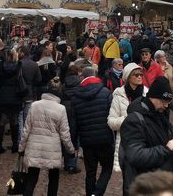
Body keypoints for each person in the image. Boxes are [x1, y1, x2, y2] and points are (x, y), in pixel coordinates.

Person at [119, 76, 173, 196]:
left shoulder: (162, 116)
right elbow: (136, 156)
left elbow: (163, 152)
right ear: (153, 97)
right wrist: (166, 149)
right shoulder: (134, 120)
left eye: (168, 102)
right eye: (164, 102)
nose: (166, 106)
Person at [18, 77, 76, 196]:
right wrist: (71, 150)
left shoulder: (35, 105)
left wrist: (21, 148)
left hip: (34, 146)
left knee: (32, 178)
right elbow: (65, 134)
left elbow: (26, 129)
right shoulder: (61, 109)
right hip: (52, 149)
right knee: (54, 179)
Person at [71, 66, 115, 196]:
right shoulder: (106, 93)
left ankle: (92, 193)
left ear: (82, 77)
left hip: (86, 140)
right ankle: (97, 193)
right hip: (104, 138)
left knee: (90, 172)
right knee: (107, 168)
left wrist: (74, 144)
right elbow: (110, 116)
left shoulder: (76, 97)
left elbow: (74, 124)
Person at [108, 62, 147, 175]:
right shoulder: (119, 95)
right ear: (128, 77)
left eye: (141, 74)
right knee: (128, 181)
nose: (140, 77)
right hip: (126, 143)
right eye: (136, 75)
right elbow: (111, 122)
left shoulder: (147, 93)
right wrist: (127, 119)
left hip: (145, 141)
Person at [0, 50, 26, 155]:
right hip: (15, 96)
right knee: (14, 121)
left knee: (2, 121)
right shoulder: (18, 67)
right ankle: (15, 145)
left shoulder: (1, 67)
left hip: (3, 95)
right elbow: (21, 80)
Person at [61, 63, 83, 173]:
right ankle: (72, 164)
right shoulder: (80, 83)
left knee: (66, 136)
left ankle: (66, 162)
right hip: (76, 109)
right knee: (75, 137)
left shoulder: (64, 83)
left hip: (65, 110)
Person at [18, 44, 41, 144]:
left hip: (19, 93)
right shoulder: (34, 64)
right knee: (27, 118)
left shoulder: (18, 64)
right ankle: (27, 139)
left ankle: (21, 140)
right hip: (30, 93)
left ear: (22, 53)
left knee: (20, 118)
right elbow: (39, 79)